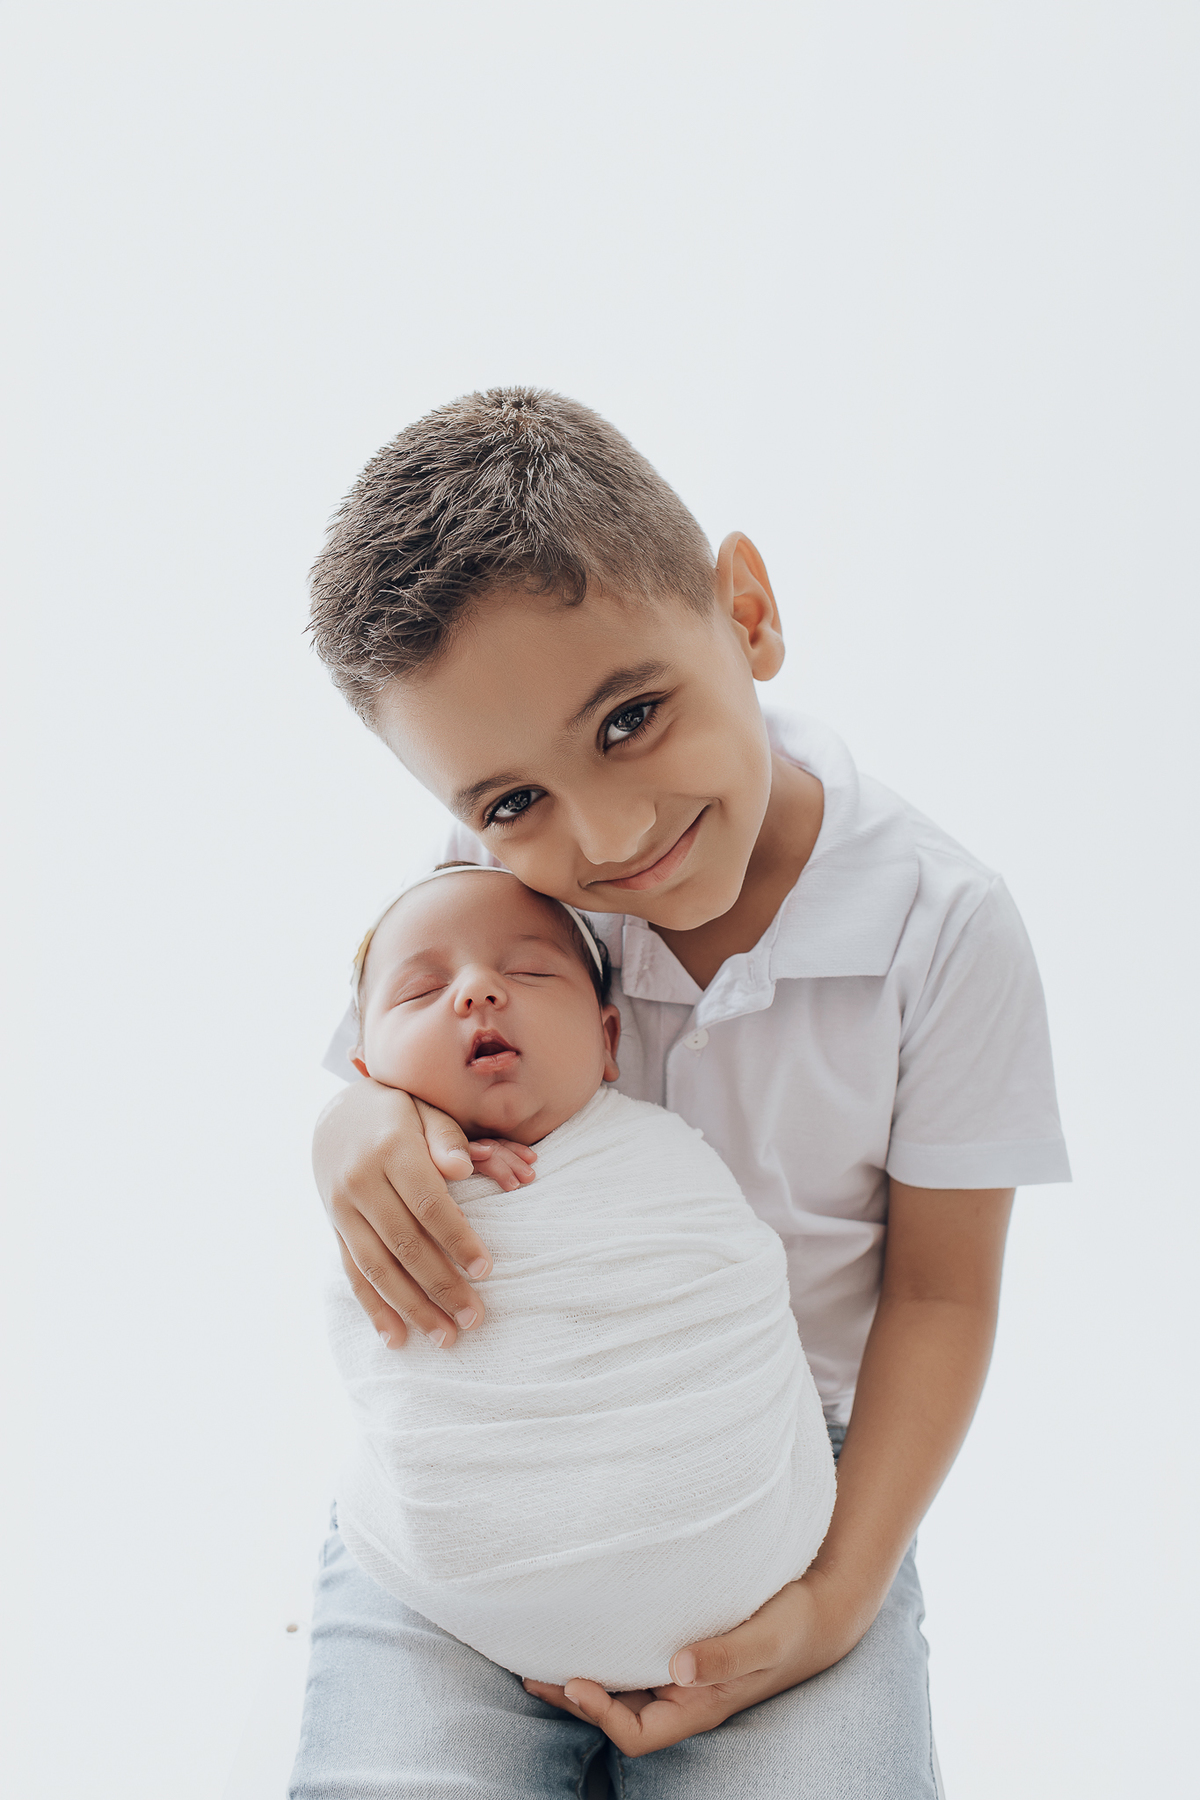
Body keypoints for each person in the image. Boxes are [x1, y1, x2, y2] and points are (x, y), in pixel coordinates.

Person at [295, 387, 1069, 1799]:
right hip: (487, 1461)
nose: (607, 834)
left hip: (776, 1491)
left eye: (632, 717)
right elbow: (374, 1078)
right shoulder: (495, 892)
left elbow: (942, 1295)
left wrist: (836, 1598)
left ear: (748, 614)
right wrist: (348, 1130)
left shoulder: (943, 928)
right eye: (509, 802)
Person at [324, 861, 835, 1690]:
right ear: (366, 1073)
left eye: (529, 971)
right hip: (467, 1589)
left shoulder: (667, 1160)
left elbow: (729, 1294)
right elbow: (381, 1351)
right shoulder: (376, 1182)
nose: (478, 991)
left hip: (738, 1562)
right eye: (421, 991)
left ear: (608, 1040)